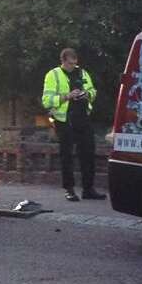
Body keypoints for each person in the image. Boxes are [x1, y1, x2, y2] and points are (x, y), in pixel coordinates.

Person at [42, 48, 106, 202]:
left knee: (88, 154)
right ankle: (69, 190)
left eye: (75, 63)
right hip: (65, 120)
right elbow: (46, 100)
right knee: (67, 156)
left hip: (83, 118)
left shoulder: (82, 73)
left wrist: (87, 94)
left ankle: (88, 189)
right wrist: (67, 96)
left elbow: (93, 91)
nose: (73, 66)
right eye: (70, 63)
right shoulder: (53, 75)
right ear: (63, 61)